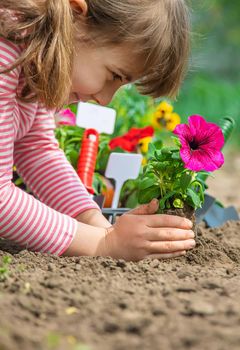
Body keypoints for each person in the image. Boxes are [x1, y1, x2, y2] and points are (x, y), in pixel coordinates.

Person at [0, 0, 195, 261]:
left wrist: (98, 224)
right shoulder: (5, 51)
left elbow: (37, 149)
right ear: (74, 15)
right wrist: (102, 245)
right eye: (114, 75)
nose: (105, 100)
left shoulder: (34, 57)